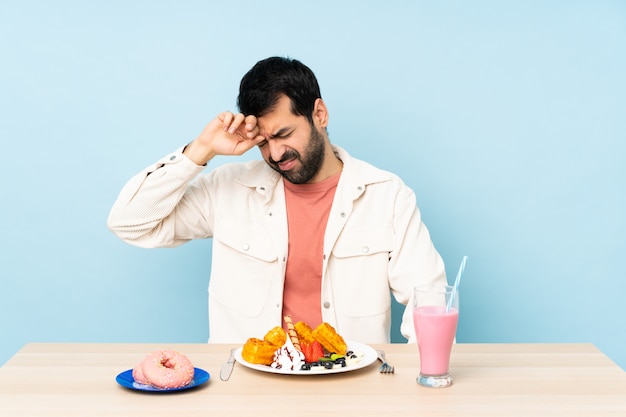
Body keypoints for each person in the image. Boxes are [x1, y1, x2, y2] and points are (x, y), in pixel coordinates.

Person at [107, 56, 446, 344]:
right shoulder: (229, 189)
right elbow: (129, 223)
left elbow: (428, 301)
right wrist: (200, 150)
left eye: (284, 134)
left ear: (320, 114)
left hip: (351, 386)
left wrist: (421, 382)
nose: (275, 153)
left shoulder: (386, 195)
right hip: (246, 388)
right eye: (263, 142)